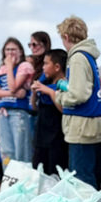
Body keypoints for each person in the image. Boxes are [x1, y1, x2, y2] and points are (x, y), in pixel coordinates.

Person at [52, 15, 101, 188]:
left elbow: (79, 94)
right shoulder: (88, 56)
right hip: (90, 124)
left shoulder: (77, 58)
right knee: (88, 172)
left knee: (81, 177)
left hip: (81, 126)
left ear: (66, 37)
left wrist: (60, 96)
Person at [0, 37, 34, 162]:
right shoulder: (1, 70)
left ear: (20, 51)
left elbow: (13, 86)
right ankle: (9, 177)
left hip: (18, 112)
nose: (10, 53)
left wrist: (9, 67)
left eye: (13, 49)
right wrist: (13, 94)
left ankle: (23, 178)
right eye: (7, 50)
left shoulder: (24, 66)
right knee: (6, 151)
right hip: (3, 112)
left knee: (21, 150)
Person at [30, 48, 69, 176]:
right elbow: (34, 107)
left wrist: (49, 92)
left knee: (55, 171)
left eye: (46, 64)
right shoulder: (45, 82)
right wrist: (35, 93)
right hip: (41, 134)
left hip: (57, 137)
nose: (43, 67)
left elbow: (63, 109)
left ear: (57, 67)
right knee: (38, 169)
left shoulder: (64, 84)